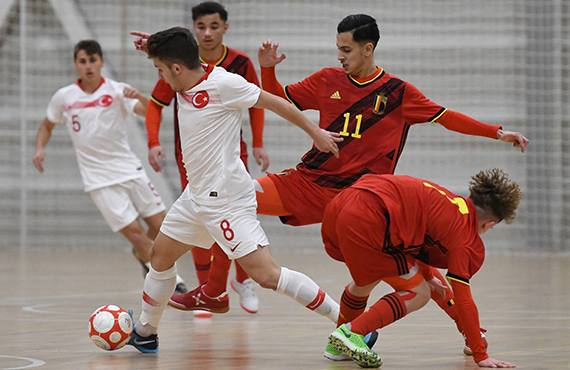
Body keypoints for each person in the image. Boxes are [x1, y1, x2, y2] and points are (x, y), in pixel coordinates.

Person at [171, 13, 528, 358]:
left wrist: (496, 133)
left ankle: (470, 333)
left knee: (425, 279)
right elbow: (281, 100)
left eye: (346, 49)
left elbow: (446, 117)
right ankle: (216, 291)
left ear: (368, 49)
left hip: (365, 204)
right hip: (306, 183)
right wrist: (268, 68)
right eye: (338, 48)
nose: (339, 56)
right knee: (228, 198)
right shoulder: (327, 80)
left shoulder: (397, 93)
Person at [126, 26, 343, 353]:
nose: (161, 78)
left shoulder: (225, 84)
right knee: (159, 256)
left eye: (160, 69)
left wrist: (315, 132)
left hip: (227, 201)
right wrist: (153, 46)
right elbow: (177, 49)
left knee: (268, 276)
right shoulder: (183, 76)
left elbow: (274, 103)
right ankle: (146, 331)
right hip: (196, 196)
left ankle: (350, 322)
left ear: (176, 68)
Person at [32, 40, 188, 294]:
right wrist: (40, 148)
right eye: (83, 61)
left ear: (102, 61)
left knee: (162, 226)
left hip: (129, 169)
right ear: (76, 64)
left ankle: (143, 255)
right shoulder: (64, 97)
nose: (88, 66)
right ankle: (173, 279)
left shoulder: (117, 90)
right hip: (98, 179)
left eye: (93, 60)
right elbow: (47, 126)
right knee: (135, 232)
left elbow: (150, 111)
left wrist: (137, 95)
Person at [323, 168, 521, 368]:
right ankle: (351, 333)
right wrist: (481, 354)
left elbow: (417, 253)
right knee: (419, 293)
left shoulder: (450, 202)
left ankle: (338, 347)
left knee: (367, 280)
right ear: (489, 224)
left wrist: (468, 331)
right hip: (371, 217)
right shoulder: (463, 236)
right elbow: (463, 300)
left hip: (343, 204)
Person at [145, 1, 268, 315]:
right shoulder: (180, 63)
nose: (208, 32)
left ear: (225, 28)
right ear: (193, 29)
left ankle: (241, 282)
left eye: (214, 26)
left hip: (230, 154)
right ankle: (207, 291)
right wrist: (153, 142)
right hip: (190, 156)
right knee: (200, 221)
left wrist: (258, 143)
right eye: (201, 27)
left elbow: (257, 102)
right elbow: (155, 103)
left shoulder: (236, 67)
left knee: (231, 221)